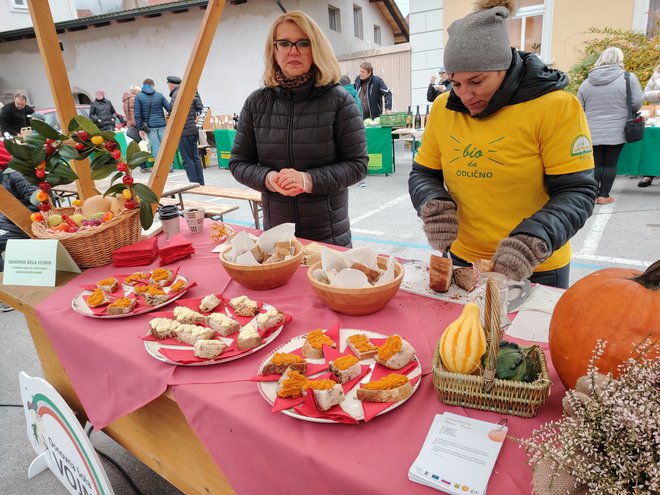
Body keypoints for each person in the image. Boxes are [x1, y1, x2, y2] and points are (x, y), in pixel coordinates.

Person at [408, 0, 597, 289]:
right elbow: (422, 174)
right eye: (456, 83)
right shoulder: (445, 107)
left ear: (504, 67)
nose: (465, 95)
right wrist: (432, 203)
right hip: (463, 259)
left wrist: (533, 239)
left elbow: (577, 190)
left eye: (476, 81)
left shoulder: (555, 106)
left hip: (537, 266)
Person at [229, 11, 367, 247]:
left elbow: (358, 165)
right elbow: (238, 163)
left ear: (316, 49)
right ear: (274, 50)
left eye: (303, 43)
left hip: (329, 236)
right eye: (284, 43)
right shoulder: (256, 103)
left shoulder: (339, 100)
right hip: (277, 236)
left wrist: (308, 180)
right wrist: (268, 178)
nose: (293, 51)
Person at [577, 47, 643, 204]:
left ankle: (592, 196)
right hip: (617, 128)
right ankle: (604, 196)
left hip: (591, 129)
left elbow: (578, 106)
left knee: (595, 163)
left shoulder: (587, 82)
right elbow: (636, 103)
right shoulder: (628, 78)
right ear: (620, 59)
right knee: (610, 163)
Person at [167, 76, 205, 185]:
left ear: (171, 85)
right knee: (195, 157)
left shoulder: (175, 95)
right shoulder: (190, 91)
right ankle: (201, 183)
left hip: (183, 131)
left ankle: (193, 184)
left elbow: (173, 114)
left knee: (187, 159)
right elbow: (200, 107)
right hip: (193, 129)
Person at [134, 78, 171, 171]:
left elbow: (137, 115)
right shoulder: (159, 95)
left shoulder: (138, 97)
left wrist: (140, 129)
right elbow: (169, 108)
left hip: (150, 127)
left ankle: (161, 168)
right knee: (165, 146)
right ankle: (169, 167)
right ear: (153, 85)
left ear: (143, 85)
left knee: (156, 147)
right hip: (162, 125)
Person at [638, 64, 660, 188]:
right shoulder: (656, 73)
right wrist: (658, 95)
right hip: (656, 114)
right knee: (652, 144)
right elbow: (645, 94)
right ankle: (648, 174)